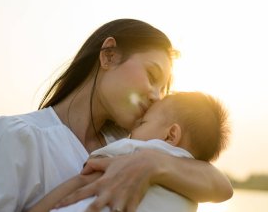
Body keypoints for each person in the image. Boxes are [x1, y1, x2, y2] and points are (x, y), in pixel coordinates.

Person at [0, 19, 233, 212]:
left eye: (162, 90)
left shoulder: (132, 147)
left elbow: (221, 187)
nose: (156, 96)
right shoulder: (15, 138)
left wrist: (153, 164)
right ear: (109, 56)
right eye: (152, 76)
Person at [29, 91, 231, 212]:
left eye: (143, 123)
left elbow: (83, 180)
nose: (133, 130)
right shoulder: (193, 181)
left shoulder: (136, 150)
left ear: (171, 135)